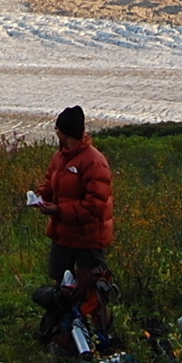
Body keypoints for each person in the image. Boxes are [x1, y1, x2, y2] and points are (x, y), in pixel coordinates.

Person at [30, 105, 113, 282]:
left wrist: (58, 211)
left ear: (64, 133)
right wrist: (40, 196)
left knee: (93, 293)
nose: (56, 132)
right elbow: (50, 182)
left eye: (57, 129)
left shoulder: (95, 162)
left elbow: (94, 207)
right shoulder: (59, 157)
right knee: (61, 290)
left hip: (88, 240)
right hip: (63, 237)